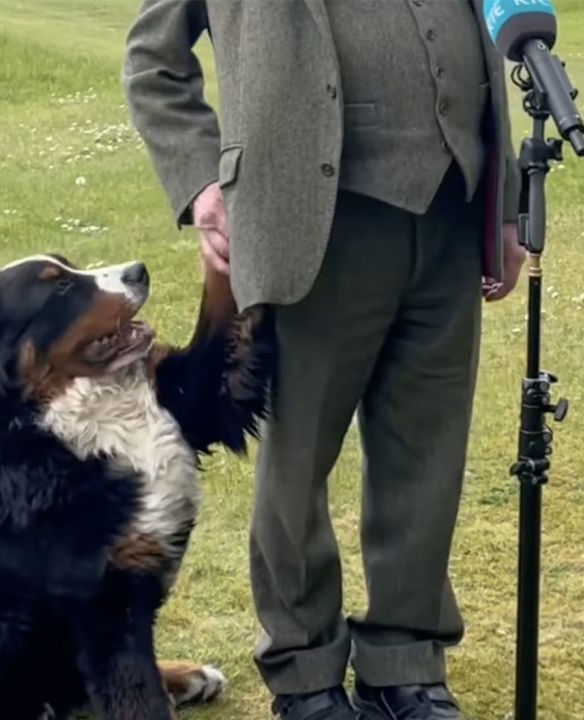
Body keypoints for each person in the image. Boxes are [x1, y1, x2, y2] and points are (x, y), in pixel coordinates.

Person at [123, 3, 526, 719]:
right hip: (311, 222)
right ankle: (305, 673)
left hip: (451, 211)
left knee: (426, 459)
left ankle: (406, 664)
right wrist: (200, 183)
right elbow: (153, 59)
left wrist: (507, 203)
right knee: (298, 462)